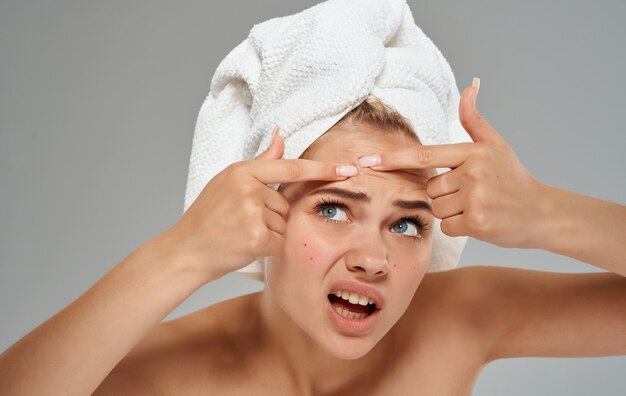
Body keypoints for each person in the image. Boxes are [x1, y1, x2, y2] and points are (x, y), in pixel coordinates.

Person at [0, 78, 625, 395]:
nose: (373, 259)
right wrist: (181, 252)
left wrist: (547, 213)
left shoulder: (461, 321)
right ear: (262, 214)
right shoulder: (172, 375)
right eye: (332, 209)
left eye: (406, 223)